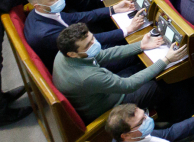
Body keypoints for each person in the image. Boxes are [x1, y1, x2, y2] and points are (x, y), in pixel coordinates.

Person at [53, 20, 184, 121]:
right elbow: (129, 85)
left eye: (92, 38)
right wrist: (166, 59)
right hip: (113, 105)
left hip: (101, 93)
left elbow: (102, 54)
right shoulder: (87, 77)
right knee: (170, 79)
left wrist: (140, 45)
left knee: (140, 66)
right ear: (72, 54)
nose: (94, 43)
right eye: (89, 45)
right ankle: (177, 120)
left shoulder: (64, 53)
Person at [23, 0, 140, 71]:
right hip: (78, 63)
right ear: (37, 6)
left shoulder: (43, 11)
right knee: (134, 54)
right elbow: (85, 42)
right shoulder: (45, 34)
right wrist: (127, 30)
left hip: (80, 48)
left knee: (123, 42)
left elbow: (78, 17)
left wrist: (113, 9)